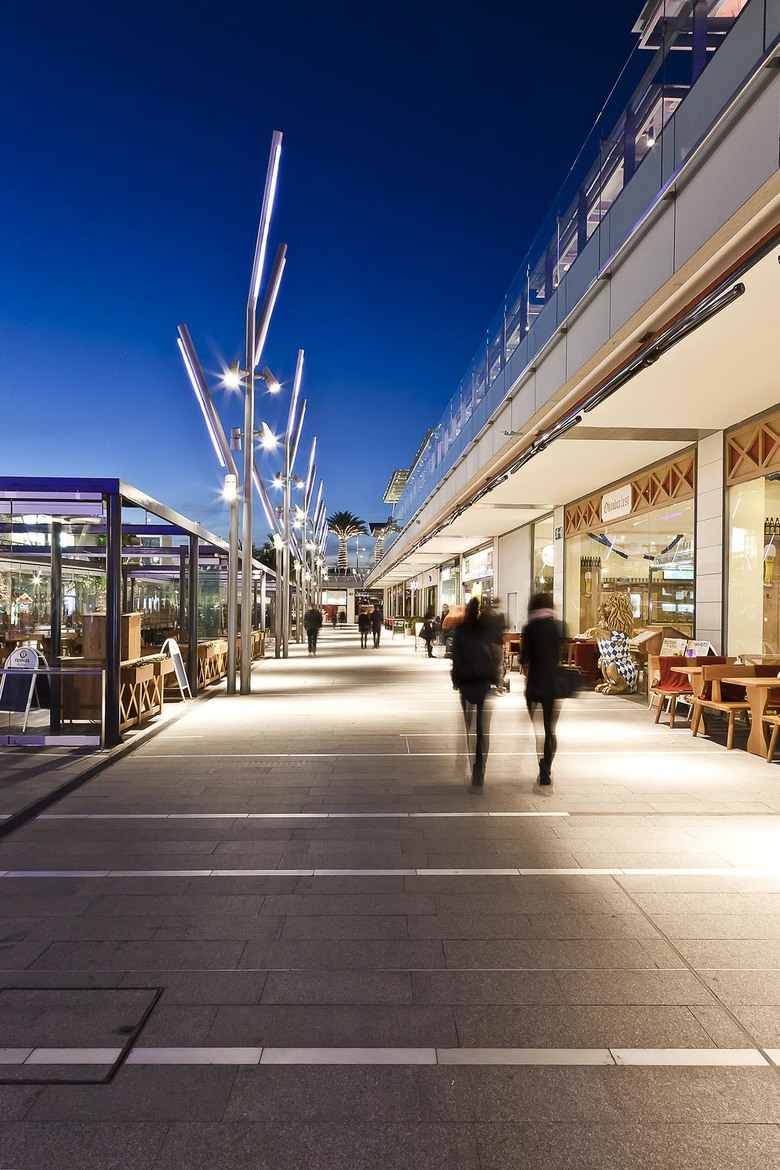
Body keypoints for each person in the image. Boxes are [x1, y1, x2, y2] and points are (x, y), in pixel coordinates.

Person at [520, 591, 563, 786]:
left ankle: (542, 761)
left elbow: (524, 659)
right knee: (549, 730)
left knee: (538, 729)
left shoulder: (530, 628)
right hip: (552, 683)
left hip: (534, 683)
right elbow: (559, 656)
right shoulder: (558, 627)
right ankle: (546, 766)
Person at [451, 597, 494, 787]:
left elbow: (456, 656)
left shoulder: (461, 630)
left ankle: (468, 759)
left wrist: (455, 679)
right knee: (482, 729)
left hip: (466, 680)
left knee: (468, 726)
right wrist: (495, 678)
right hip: (483, 679)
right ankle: (479, 767)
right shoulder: (484, 629)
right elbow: (492, 653)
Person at [482, 596, 508, 692]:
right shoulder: (501, 615)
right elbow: (504, 628)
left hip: (487, 643)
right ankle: (499, 685)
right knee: (499, 665)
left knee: (487, 664)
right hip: (498, 642)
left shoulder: (486, 614)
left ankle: (487, 684)